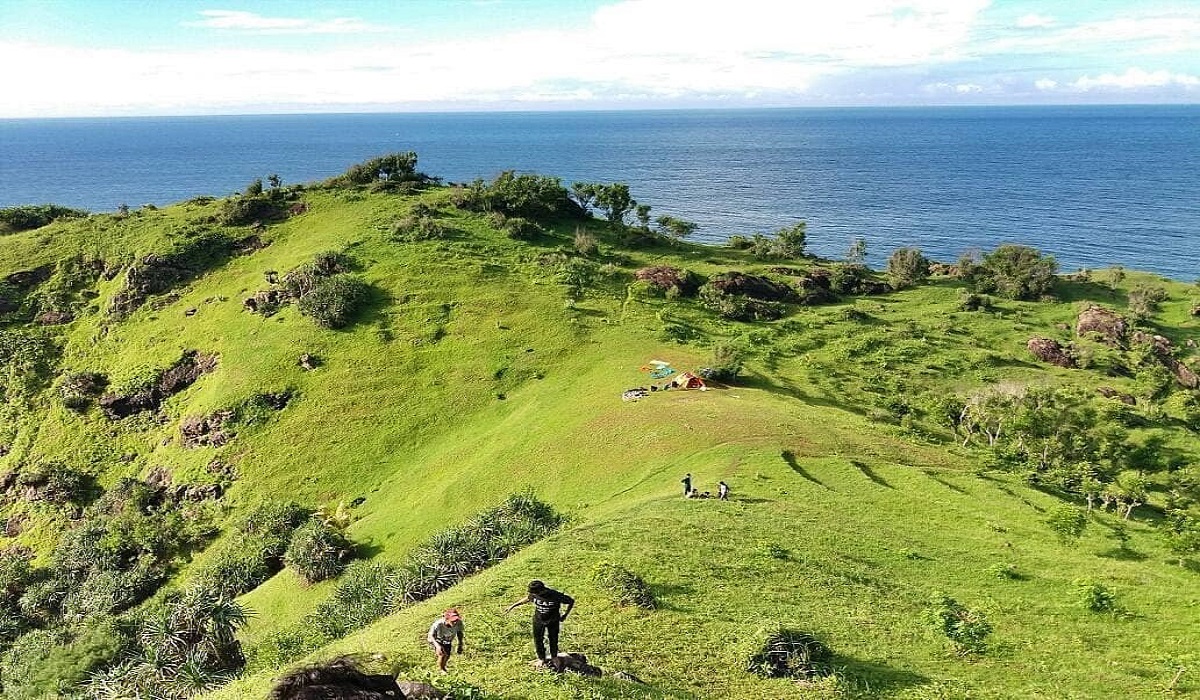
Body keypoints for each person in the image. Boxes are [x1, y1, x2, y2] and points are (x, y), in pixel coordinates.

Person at [505, 579, 575, 669]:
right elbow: (527, 598)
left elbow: (571, 601)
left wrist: (565, 615)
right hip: (538, 620)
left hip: (553, 620)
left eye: (535, 593)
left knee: (553, 639)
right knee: (538, 639)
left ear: (541, 590)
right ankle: (541, 658)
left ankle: (554, 657)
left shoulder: (555, 595)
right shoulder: (534, 594)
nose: (533, 595)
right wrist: (512, 606)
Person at [427, 608, 464, 673]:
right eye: (453, 621)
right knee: (442, 654)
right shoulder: (438, 624)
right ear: (447, 619)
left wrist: (460, 644)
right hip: (436, 640)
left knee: (447, 655)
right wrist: (437, 646)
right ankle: (441, 669)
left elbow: (459, 633)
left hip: (447, 641)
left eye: (456, 620)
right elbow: (431, 636)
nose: (455, 622)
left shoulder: (459, 623)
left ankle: (443, 667)